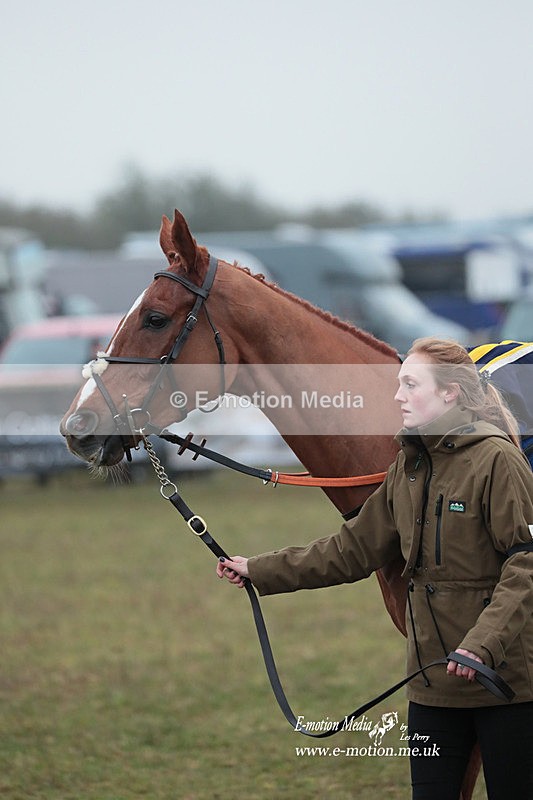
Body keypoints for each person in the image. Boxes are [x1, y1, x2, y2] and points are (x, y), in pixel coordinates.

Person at [216, 337, 533, 800]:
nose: (398, 396)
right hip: (431, 689)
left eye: (410, 384)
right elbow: (351, 550)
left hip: (504, 684)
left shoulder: (498, 460)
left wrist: (481, 647)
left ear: (450, 393)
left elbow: (525, 561)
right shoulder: (406, 466)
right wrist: (259, 570)